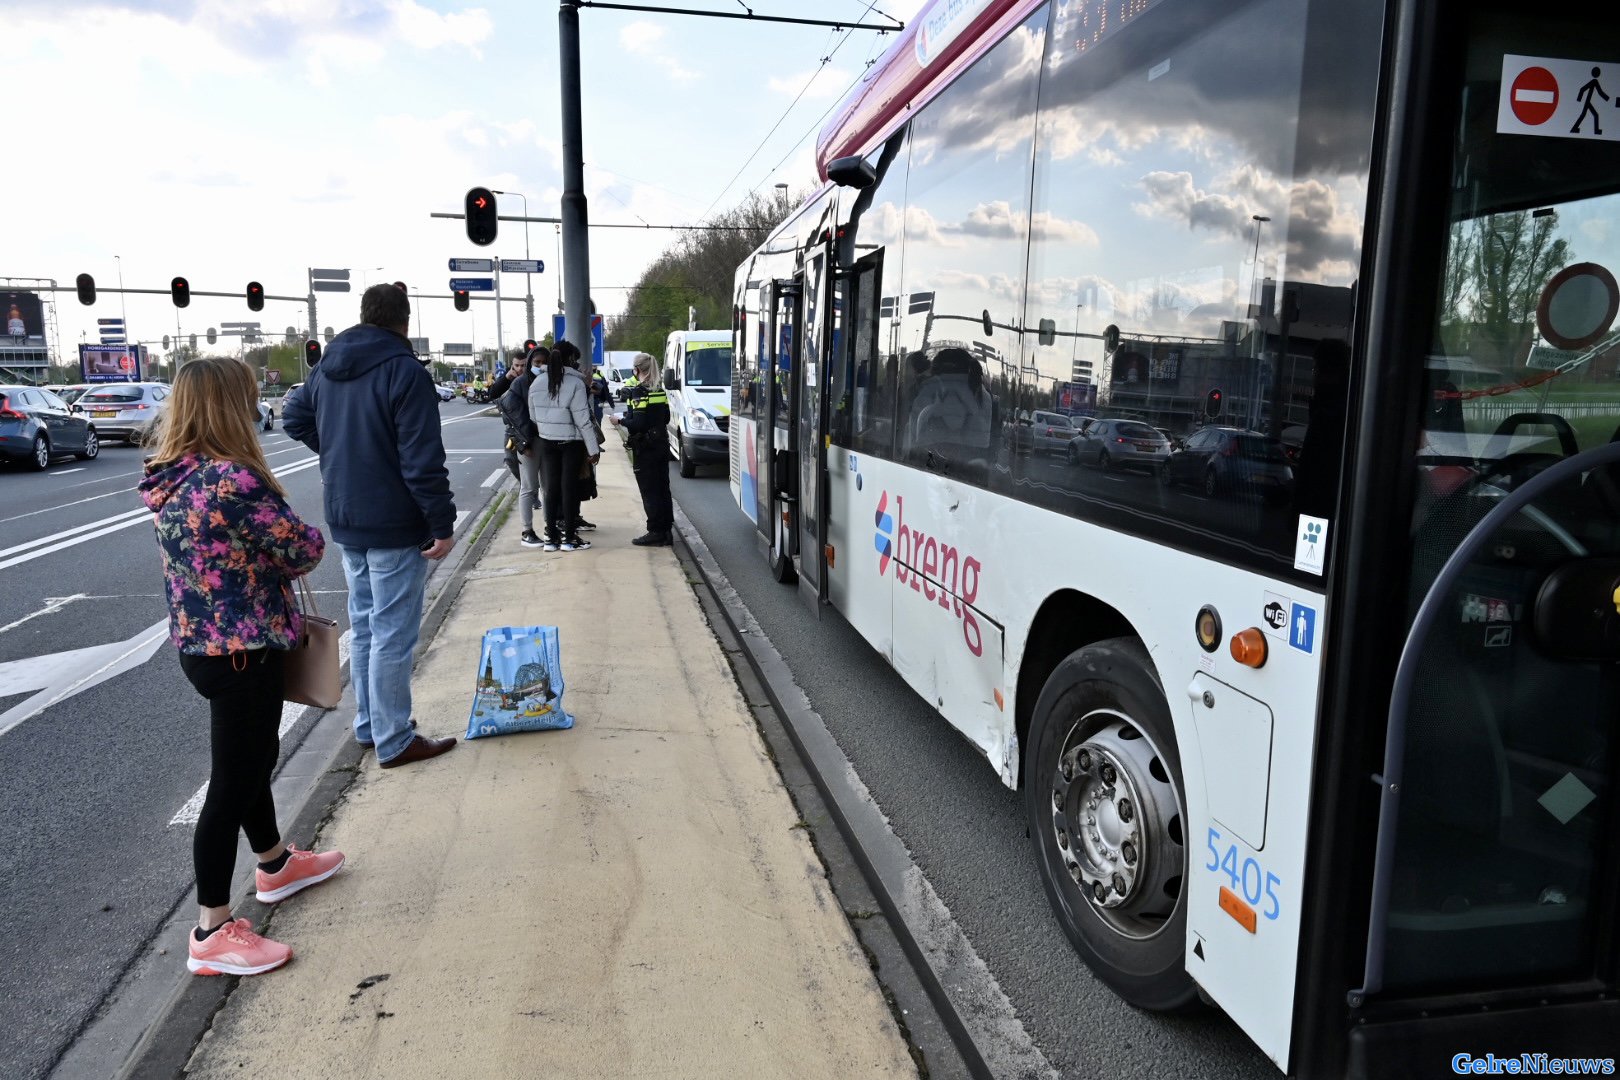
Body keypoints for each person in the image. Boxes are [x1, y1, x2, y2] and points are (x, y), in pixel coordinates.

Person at [138, 356, 343, 978]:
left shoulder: (168, 477)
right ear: (233, 405)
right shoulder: (233, 480)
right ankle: (211, 930)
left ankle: (277, 864)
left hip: (199, 647)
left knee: (250, 763)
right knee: (233, 781)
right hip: (244, 649)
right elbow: (303, 549)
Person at [282, 284, 457, 769]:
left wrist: (340, 453)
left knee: (364, 629)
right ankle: (396, 738)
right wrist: (441, 524)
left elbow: (293, 418)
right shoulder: (404, 372)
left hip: (347, 518)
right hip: (395, 523)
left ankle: (369, 726)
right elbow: (423, 462)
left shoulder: (326, 370)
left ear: (363, 316)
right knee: (393, 634)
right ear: (404, 322)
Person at [527, 339, 600, 551]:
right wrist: (593, 449)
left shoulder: (537, 383)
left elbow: (533, 415)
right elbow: (583, 420)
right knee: (569, 489)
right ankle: (569, 539)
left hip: (547, 441)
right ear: (570, 360)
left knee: (550, 490)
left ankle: (550, 539)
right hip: (571, 443)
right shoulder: (576, 384)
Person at [612, 352, 674, 546]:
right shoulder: (659, 390)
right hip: (661, 444)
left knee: (649, 490)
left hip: (645, 447)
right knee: (663, 487)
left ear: (637, 370)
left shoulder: (640, 391)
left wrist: (620, 420)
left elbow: (637, 422)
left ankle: (654, 531)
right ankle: (666, 531)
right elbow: (666, 418)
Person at [491, 346, 545, 547]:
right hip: (515, 433)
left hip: (539, 435)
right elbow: (493, 393)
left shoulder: (539, 380)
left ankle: (538, 504)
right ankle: (528, 523)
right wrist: (507, 378)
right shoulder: (514, 382)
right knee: (512, 461)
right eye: (517, 366)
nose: (521, 369)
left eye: (524, 365)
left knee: (540, 483)